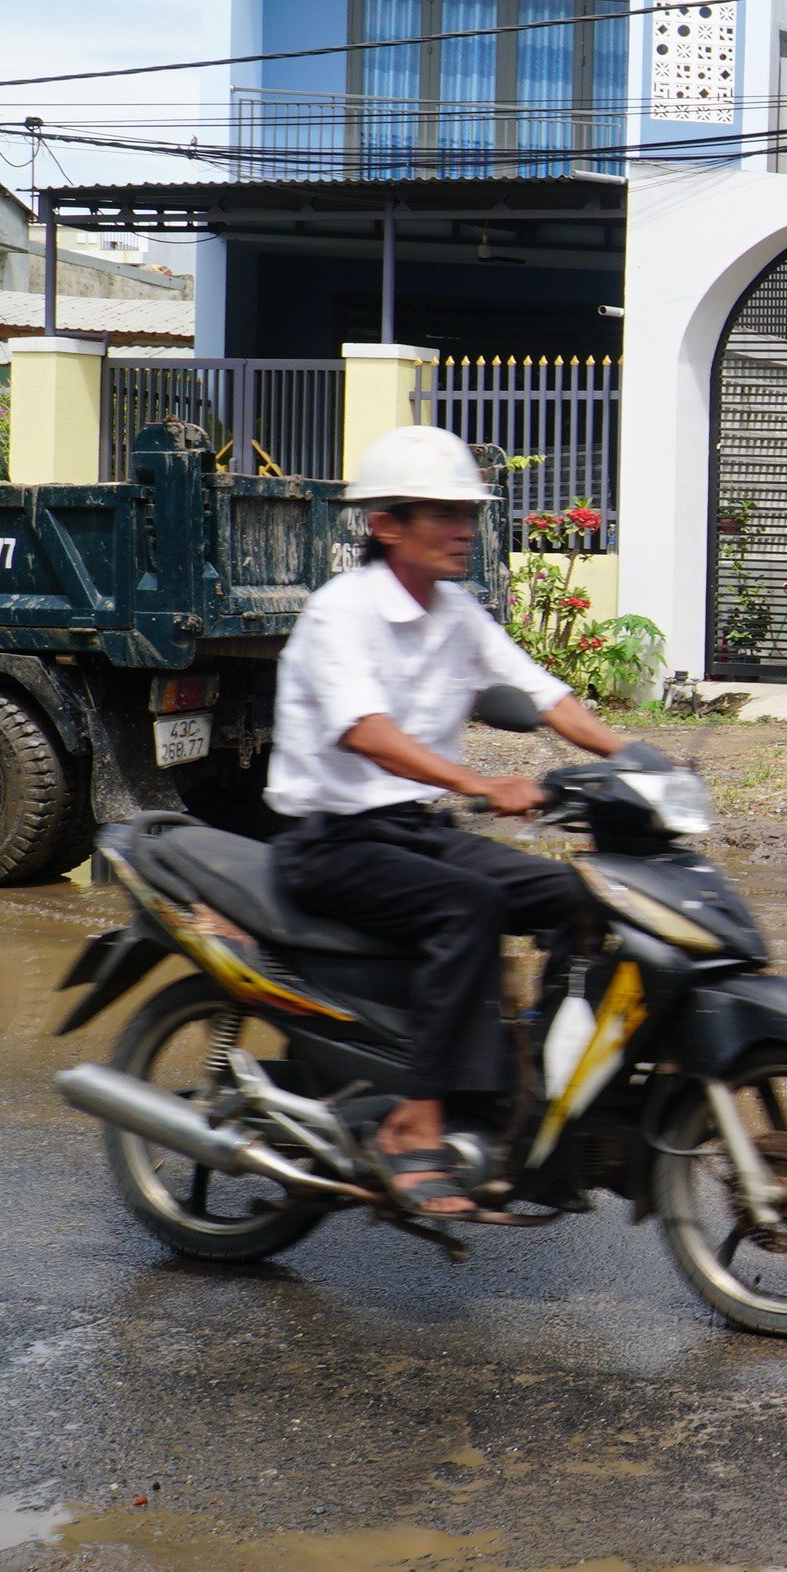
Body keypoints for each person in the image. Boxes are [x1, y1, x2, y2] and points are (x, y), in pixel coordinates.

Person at [267, 424, 627, 1219]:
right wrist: (479, 781)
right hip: (331, 840)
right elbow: (365, 729)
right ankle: (415, 1121)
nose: (464, 528)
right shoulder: (342, 611)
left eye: (467, 511)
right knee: (469, 906)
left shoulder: (457, 611)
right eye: (441, 513)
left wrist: (638, 759)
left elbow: (542, 694)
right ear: (387, 524)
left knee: (584, 895)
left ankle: (528, 1087)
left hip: (414, 830)